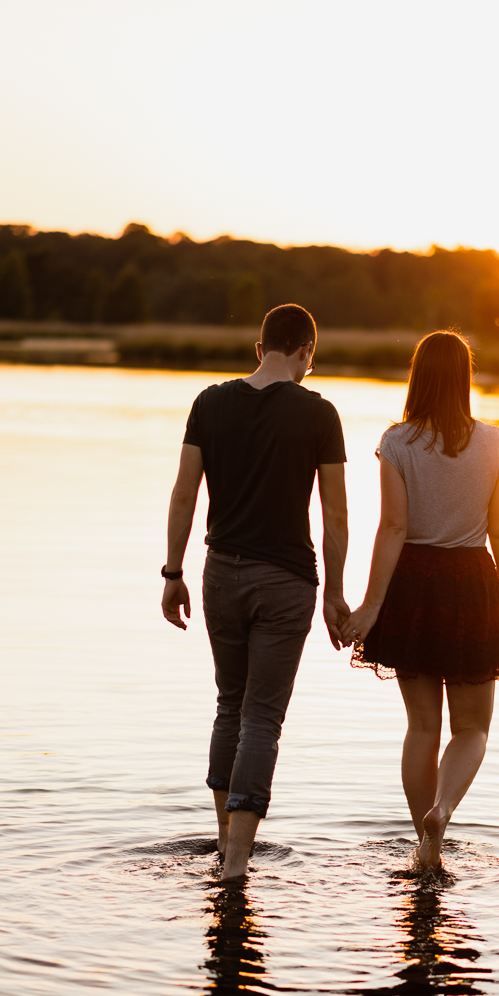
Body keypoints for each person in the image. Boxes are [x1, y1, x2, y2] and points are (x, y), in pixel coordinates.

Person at [162, 304, 349, 881]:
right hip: (286, 581)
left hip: (220, 575)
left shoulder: (210, 402)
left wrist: (173, 575)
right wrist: (335, 596)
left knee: (229, 706)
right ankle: (239, 860)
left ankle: (223, 840)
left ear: (258, 345)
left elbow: (184, 496)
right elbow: (336, 517)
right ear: (306, 352)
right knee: (262, 718)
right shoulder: (319, 413)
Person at [341, 330, 499, 868]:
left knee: (422, 726)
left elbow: (394, 526)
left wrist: (372, 606)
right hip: (470, 582)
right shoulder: (495, 443)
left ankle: (425, 845)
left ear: (417, 376)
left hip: (414, 584)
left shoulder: (397, 442)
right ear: (464, 379)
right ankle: (442, 811)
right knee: (472, 728)